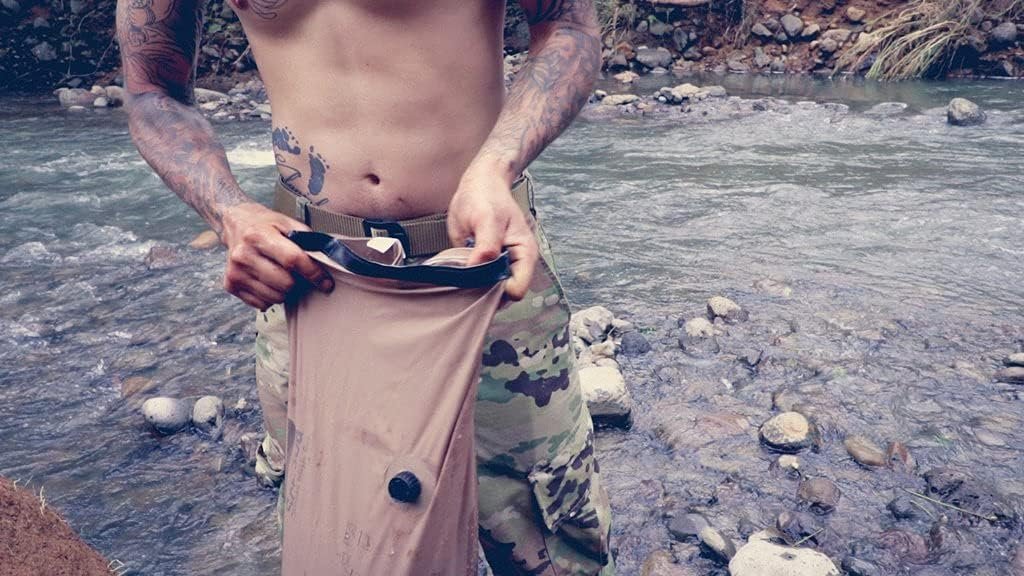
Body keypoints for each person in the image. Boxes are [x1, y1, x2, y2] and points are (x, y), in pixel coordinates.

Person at [116, 0, 614, 572]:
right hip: (310, 275)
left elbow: (570, 26)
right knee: (340, 530)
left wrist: (496, 165)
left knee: (545, 528)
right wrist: (229, 213)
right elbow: (152, 90)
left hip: (480, 262)